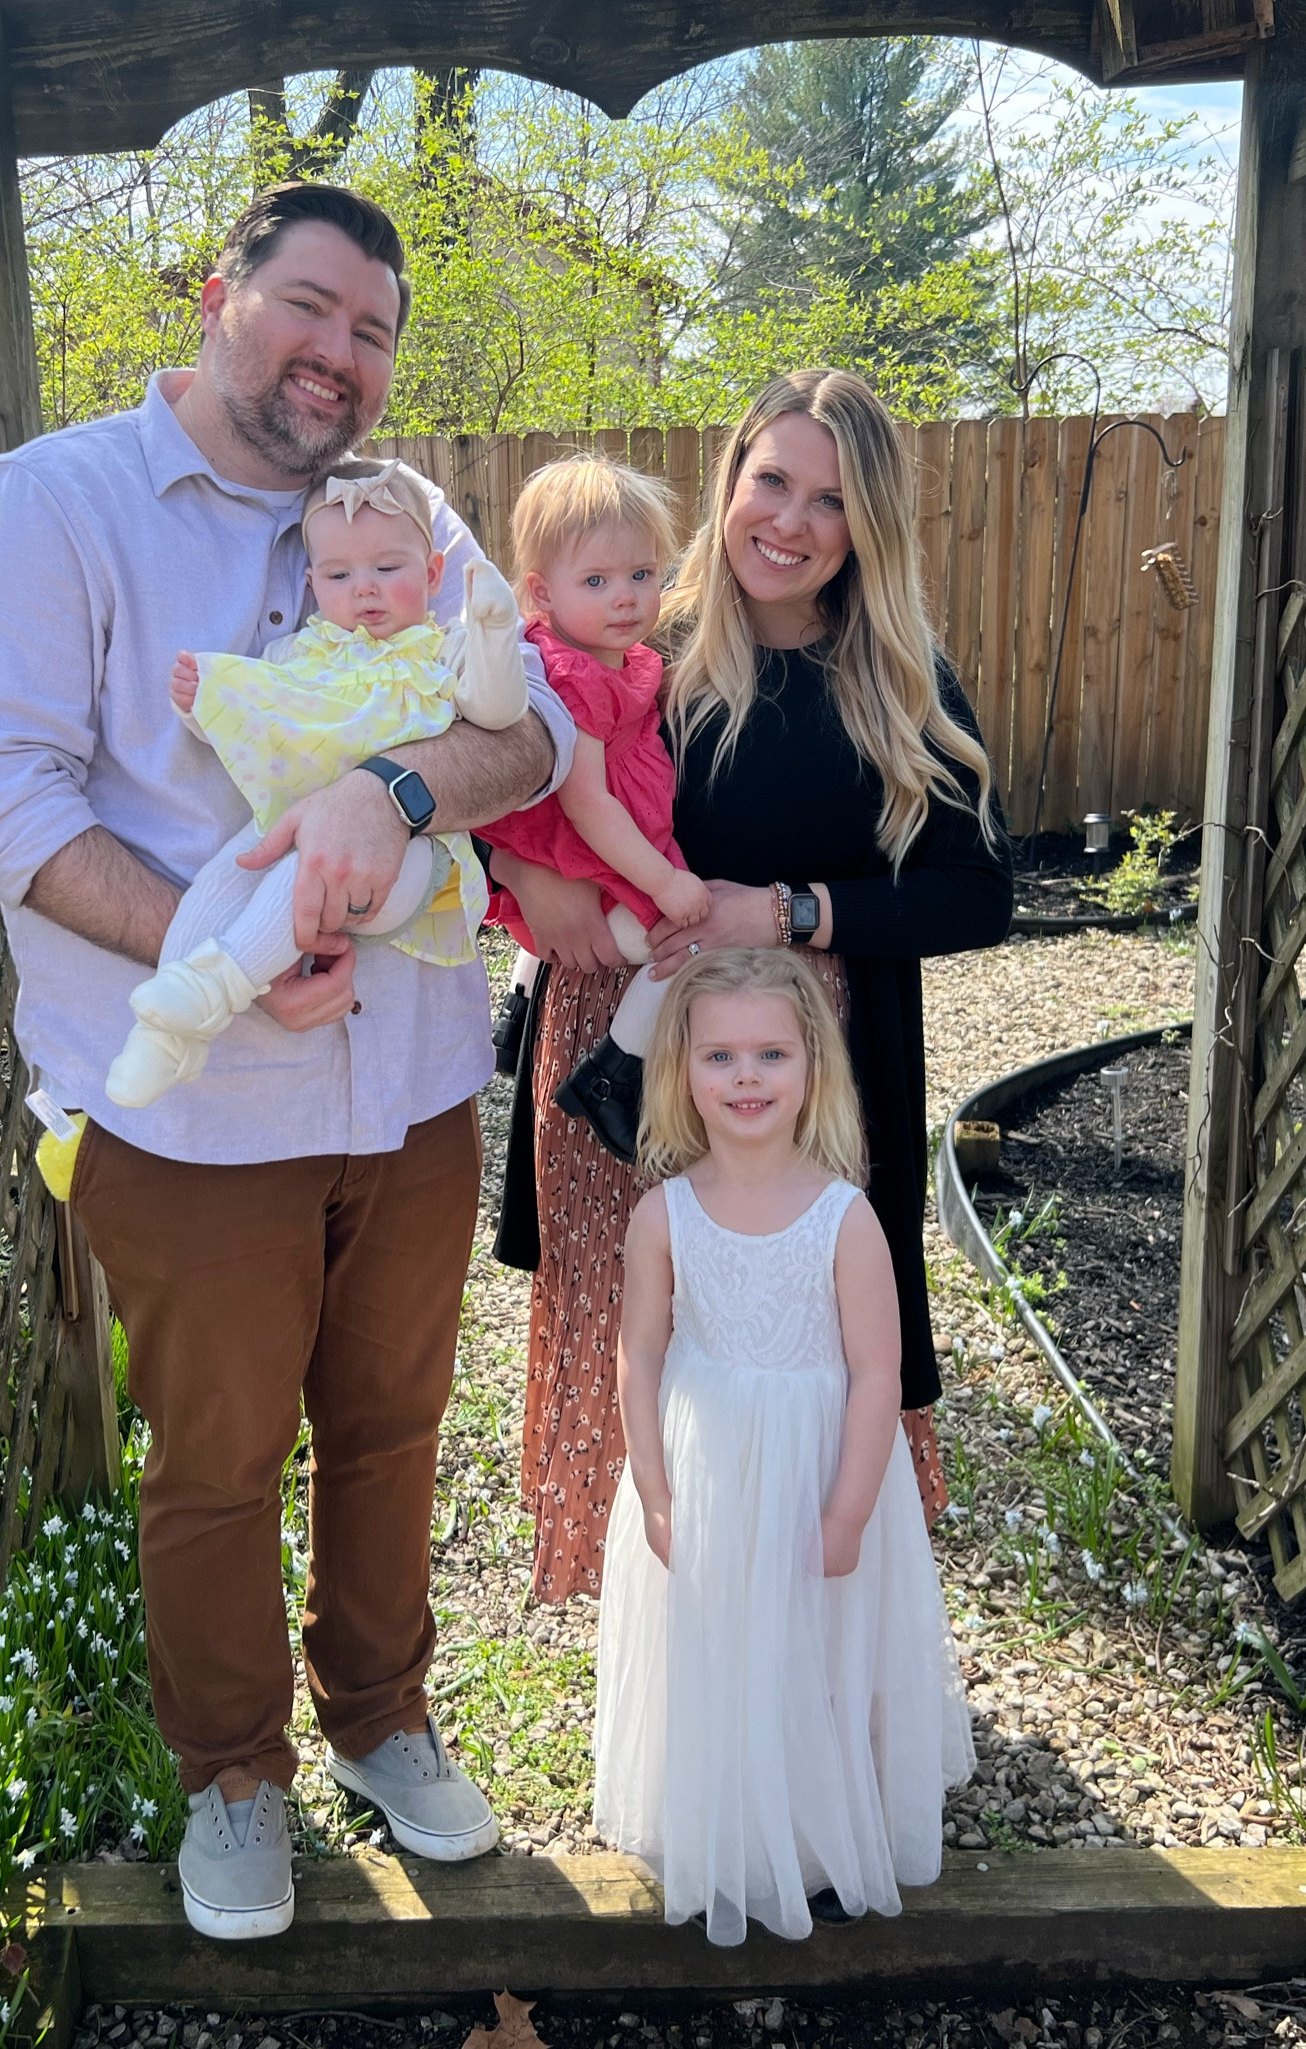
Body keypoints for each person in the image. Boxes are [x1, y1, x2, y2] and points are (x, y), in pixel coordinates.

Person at [0, 181, 577, 1942]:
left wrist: (401, 785)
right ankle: (232, 1773)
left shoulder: (411, 512)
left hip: (417, 1086)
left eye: (373, 331)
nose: (339, 355)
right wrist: (208, 942)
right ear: (220, 295)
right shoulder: (56, 507)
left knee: (391, 1424)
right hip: (199, 1112)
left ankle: (381, 1716)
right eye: (309, 307)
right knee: (214, 1462)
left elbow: (543, 720)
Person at [493, 367, 1013, 1605]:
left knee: (785, 1340)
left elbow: (976, 894)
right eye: (768, 479)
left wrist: (791, 911)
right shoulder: (634, 646)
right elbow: (491, 770)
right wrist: (515, 867)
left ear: (865, 528)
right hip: (623, 1044)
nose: (787, 519)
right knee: (638, 1321)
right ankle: (661, 1623)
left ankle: (805, 1607)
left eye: (828, 501)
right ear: (729, 480)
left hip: (804, 1066)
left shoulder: (895, 677)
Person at [593, 947, 975, 1945]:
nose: (747, 1078)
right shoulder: (659, 1214)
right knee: (722, 1645)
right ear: (680, 1071)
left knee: (815, 1648)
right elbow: (637, 1352)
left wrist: (847, 1509)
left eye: (771, 1053)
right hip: (709, 1475)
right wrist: (652, 1487)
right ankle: (724, 1818)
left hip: (814, 1469)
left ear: (814, 1067)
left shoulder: (845, 1220)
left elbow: (876, 1377)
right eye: (719, 1057)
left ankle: (813, 1829)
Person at [107, 458, 528, 1107]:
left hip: (412, 856)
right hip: (293, 820)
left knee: (302, 861)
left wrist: (494, 631)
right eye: (339, 574)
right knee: (230, 871)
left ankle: (213, 989)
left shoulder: (439, 650)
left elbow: (501, 712)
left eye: (387, 569)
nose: (364, 589)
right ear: (312, 582)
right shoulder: (302, 652)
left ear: (432, 573)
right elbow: (252, 713)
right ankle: (164, 1037)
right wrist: (201, 705)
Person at [479, 457, 708, 1136]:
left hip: (593, 855)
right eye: (597, 581)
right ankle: (615, 1071)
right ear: (541, 593)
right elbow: (587, 804)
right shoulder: (571, 676)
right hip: (595, 854)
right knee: (688, 944)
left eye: (642, 575)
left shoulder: (619, 658)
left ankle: (518, 1006)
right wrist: (665, 881)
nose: (626, 598)